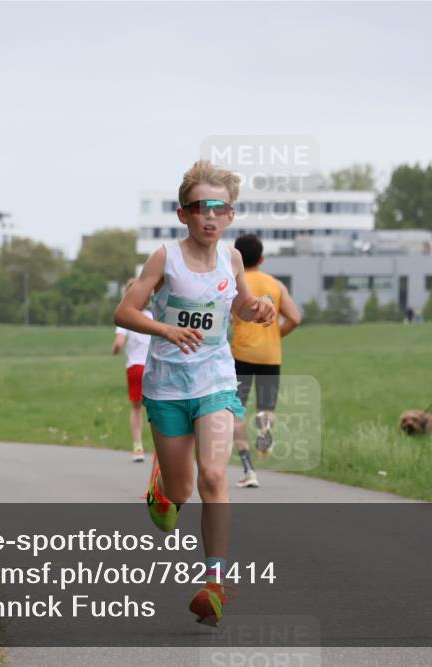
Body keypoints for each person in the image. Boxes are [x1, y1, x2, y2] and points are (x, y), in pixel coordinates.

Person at [114, 160, 275, 626]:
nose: (209, 217)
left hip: (215, 380)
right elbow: (124, 312)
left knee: (213, 476)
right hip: (166, 385)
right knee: (181, 488)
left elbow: (240, 304)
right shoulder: (165, 258)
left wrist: (258, 306)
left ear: (230, 216)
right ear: (183, 214)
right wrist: (165, 328)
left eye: (219, 209)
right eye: (199, 208)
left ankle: (214, 583)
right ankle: (161, 489)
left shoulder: (234, 259)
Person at [230, 233, 301, 488]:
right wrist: (275, 335)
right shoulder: (276, 285)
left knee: (236, 411)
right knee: (266, 408)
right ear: (261, 258)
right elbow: (295, 317)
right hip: (270, 355)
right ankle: (265, 430)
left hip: (241, 354)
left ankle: (248, 468)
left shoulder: (234, 282)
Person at [112, 278, 153, 462]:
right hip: (152, 367)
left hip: (135, 366)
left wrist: (115, 351)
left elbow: (119, 342)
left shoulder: (125, 316)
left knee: (136, 409)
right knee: (156, 408)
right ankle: (161, 448)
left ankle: (138, 447)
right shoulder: (152, 316)